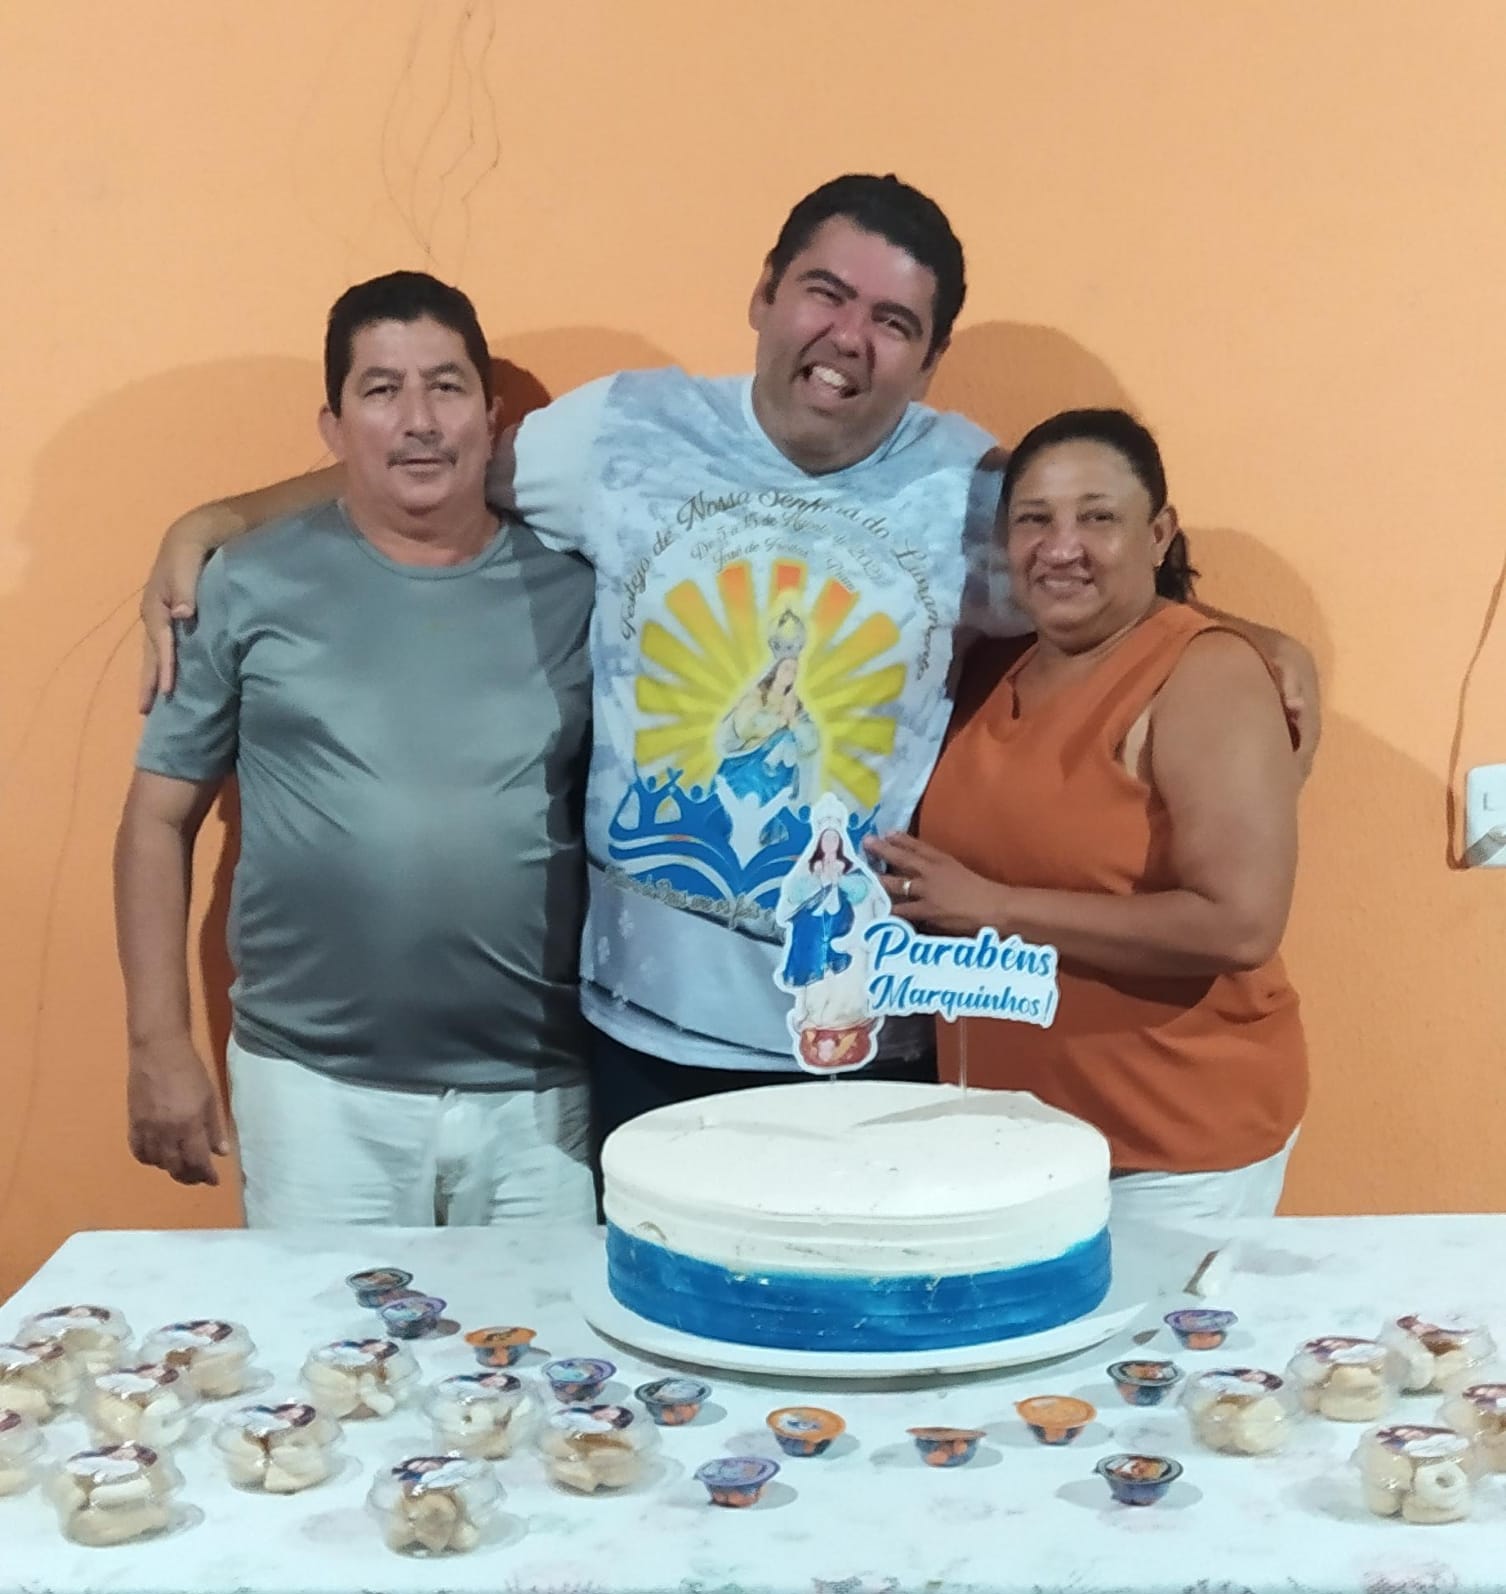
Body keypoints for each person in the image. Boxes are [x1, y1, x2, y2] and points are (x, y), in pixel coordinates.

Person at [136, 176, 1320, 1149]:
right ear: (764, 294)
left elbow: (1101, 582)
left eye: (894, 322)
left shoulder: (971, 488)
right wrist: (223, 516)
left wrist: (1245, 638)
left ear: (929, 357)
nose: (848, 337)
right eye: (825, 292)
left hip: (862, 1040)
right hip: (637, 1032)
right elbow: (427, 464)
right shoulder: (622, 431)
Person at [114, 271, 595, 1225]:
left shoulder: (579, 590)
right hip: (315, 1096)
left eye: (446, 386)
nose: (419, 420)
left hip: (542, 1099)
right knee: (320, 1332)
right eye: (381, 390)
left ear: (491, 417)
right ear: (333, 428)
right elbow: (155, 824)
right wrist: (158, 1045)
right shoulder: (244, 585)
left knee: (549, 1331)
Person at [871, 409, 1307, 1229]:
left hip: (1168, 1149)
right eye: (1034, 519)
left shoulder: (1205, 672)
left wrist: (994, 908)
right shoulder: (991, 668)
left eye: (1098, 517)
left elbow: (1239, 923)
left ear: (1159, 535)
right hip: (1007, 1143)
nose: (1061, 546)